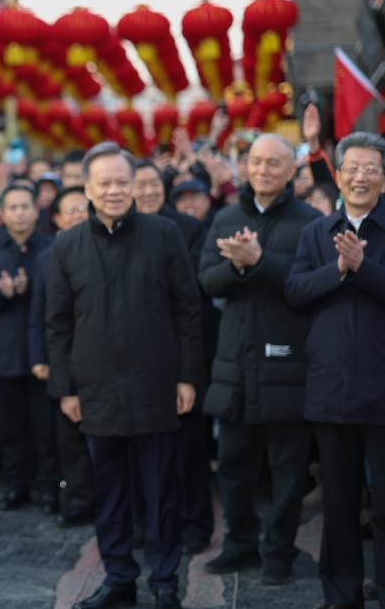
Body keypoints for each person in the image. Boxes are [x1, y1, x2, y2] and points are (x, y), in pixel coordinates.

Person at [47, 142, 203, 609]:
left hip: (157, 384)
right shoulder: (67, 244)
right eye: (104, 183)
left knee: (161, 491)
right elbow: (57, 322)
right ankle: (119, 577)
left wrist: (187, 378)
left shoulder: (165, 234)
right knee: (109, 492)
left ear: (134, 185)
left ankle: (164, 580)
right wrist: (65, 388)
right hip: (94, 389)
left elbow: (188, 311)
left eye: (122, 182)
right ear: (88, 189)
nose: (114, 190)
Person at [198, 134, 320, 584]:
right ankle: (239, 543)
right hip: (234, 363)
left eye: (274, 163)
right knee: (232, 462)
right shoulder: (227, 217)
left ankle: (279, 552)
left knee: (287, 467)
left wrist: (259, 260)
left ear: (292, 172)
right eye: (256, 162)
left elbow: (308, 285)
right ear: (245, 167)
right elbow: (207, 281)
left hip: (288, 363)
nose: (264, 170)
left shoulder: (310, 222)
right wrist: (236, 267)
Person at [285, 131, 385, 609]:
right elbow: (296, 292)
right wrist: (339, 271)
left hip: (383, 388)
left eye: (371, 168)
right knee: (339, 504)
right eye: (353, 168)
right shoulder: (314, 233)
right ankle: (342, 595)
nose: (361, 176)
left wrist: (363, 267)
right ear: (339, 176)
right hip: (331, 388)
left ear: (383, 179)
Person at [133, 159, 214, 555]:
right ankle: (148, 523)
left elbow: (191, 299)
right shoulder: (120, 231)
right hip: (133, 359)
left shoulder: (187, 229)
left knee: (188, 446)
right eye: (139, 184)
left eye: (152, 184)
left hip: (181, 351)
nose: (147, 192)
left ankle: (195, 524)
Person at [0, 185, 58, 512]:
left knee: (45, 427)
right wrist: (2, 293)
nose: (20, 213)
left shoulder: (51, 248)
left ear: (36, 210)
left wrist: (31, 289)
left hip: (42, 353)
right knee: (10, 428)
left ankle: (49, 487)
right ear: (2, 213)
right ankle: (16, 485)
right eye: (13, 207)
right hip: (4, 352)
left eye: (25, 206)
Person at [28, 186, 93, 527]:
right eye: (70, 210)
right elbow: (40, 315)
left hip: (99, 360)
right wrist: (40, 358)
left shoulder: (101, 249)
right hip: (62, 359)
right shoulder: (46, 257)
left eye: (83, 208)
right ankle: (77, 501)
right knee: (66, 439)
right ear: (55, 219)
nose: (78, 215)